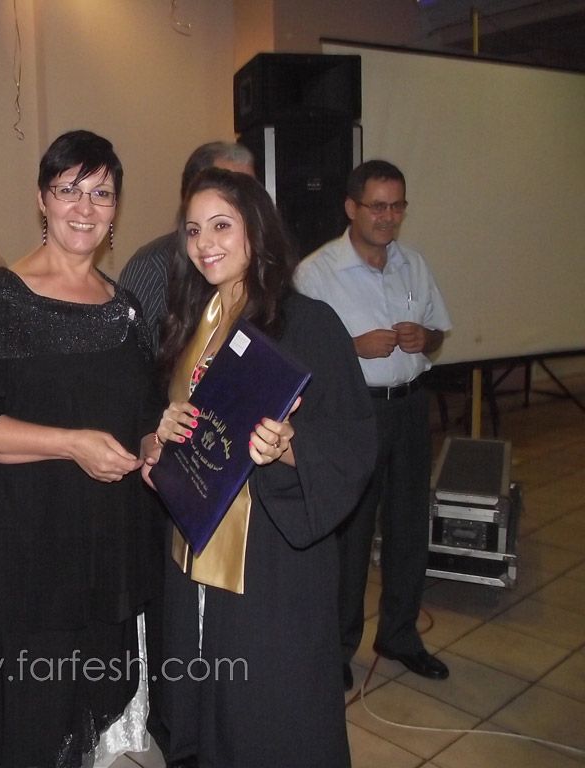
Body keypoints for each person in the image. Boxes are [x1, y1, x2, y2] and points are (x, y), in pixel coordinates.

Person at [0, 130, 164, 768]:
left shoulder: (124, 309)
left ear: (116, 208)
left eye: (102, 193)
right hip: (26, 549)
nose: (85, 207)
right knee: (31, 721)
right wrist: (72, 445)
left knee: (76, 716)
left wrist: (156, 441)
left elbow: (141, 413)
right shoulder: (2, 301)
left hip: (102, 546)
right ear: (42, 200)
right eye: (69, 190)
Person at [143, 167, 376, 767]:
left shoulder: (306, 323)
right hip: (194, 547)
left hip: (266, 556)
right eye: (194, 229)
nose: (205, 243)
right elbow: (187, 422)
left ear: (256, 229)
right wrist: (162, 437)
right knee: (202, 695)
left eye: (221, 225)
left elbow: (350, 438)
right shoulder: (195, 319)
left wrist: (289, 446)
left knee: (266, 712)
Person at [295, 159, 453, 689]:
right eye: (377, 206)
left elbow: (438, 332)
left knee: (410, 526)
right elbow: (297, 357)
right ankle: (339, 647)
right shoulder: (315, 273)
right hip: (353, 412)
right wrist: (352, 348)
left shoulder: (414, 264)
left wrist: (425, 338)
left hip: (410, 407)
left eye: (397, 206)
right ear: (351, 207)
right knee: (352, 535)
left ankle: (400, 635)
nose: (388, 217)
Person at [119, 141, 255, 351]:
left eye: (251, 189)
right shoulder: (153, 266)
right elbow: (131, 356)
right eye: (226, 184)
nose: (204, 243)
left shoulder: (290, 311)